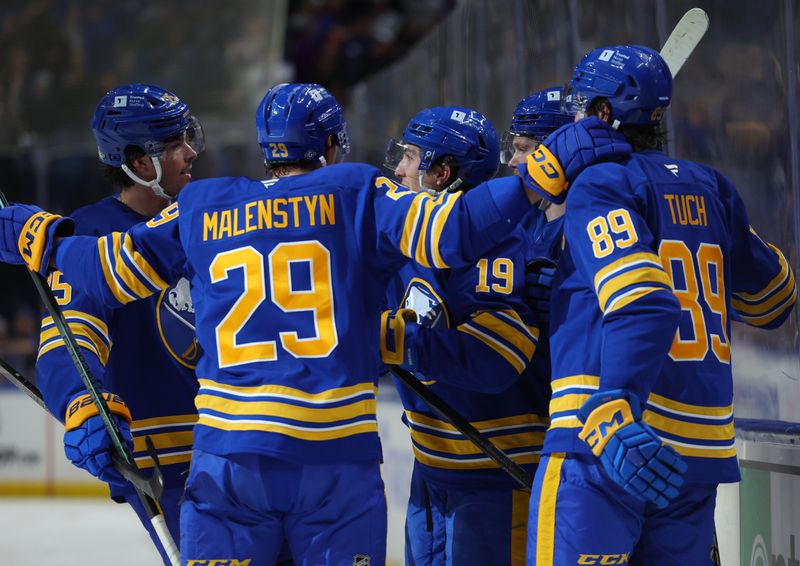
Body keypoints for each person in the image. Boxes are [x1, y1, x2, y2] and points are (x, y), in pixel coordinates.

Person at [0, 83, 546, 565]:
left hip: (226, 463)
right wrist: (541, 177)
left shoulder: (203, 206)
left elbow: (98, 272)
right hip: (331, 460)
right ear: (331, 146)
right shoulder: (358, 193)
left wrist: (33, 235)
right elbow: (457, 230)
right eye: (173, 143)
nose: (189, 152)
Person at [518, 45, 797, 565]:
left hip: (609, 438)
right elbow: (775, 299)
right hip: (695, 455)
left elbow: (644, 303)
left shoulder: (599, 186)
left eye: (579, 109)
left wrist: (616, 404)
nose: (570, 122)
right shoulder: (713, 187)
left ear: (602, 114)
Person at [35, 83, 204, 565]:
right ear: (138, 161)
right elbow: (71, 337)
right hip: (163, 461)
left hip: (238, 439)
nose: (190, 153)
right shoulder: (86, 235)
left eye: (188, 137)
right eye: (173, 145)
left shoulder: (204, 217)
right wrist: (81, 401)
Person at [382, 106, 543, 565]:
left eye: (412, 157)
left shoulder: (496, 244)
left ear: (443, 174)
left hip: (494, 472)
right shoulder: (400, 238)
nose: (398, 169)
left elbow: (495, 359)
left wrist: (400, 342)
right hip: (431, 470)